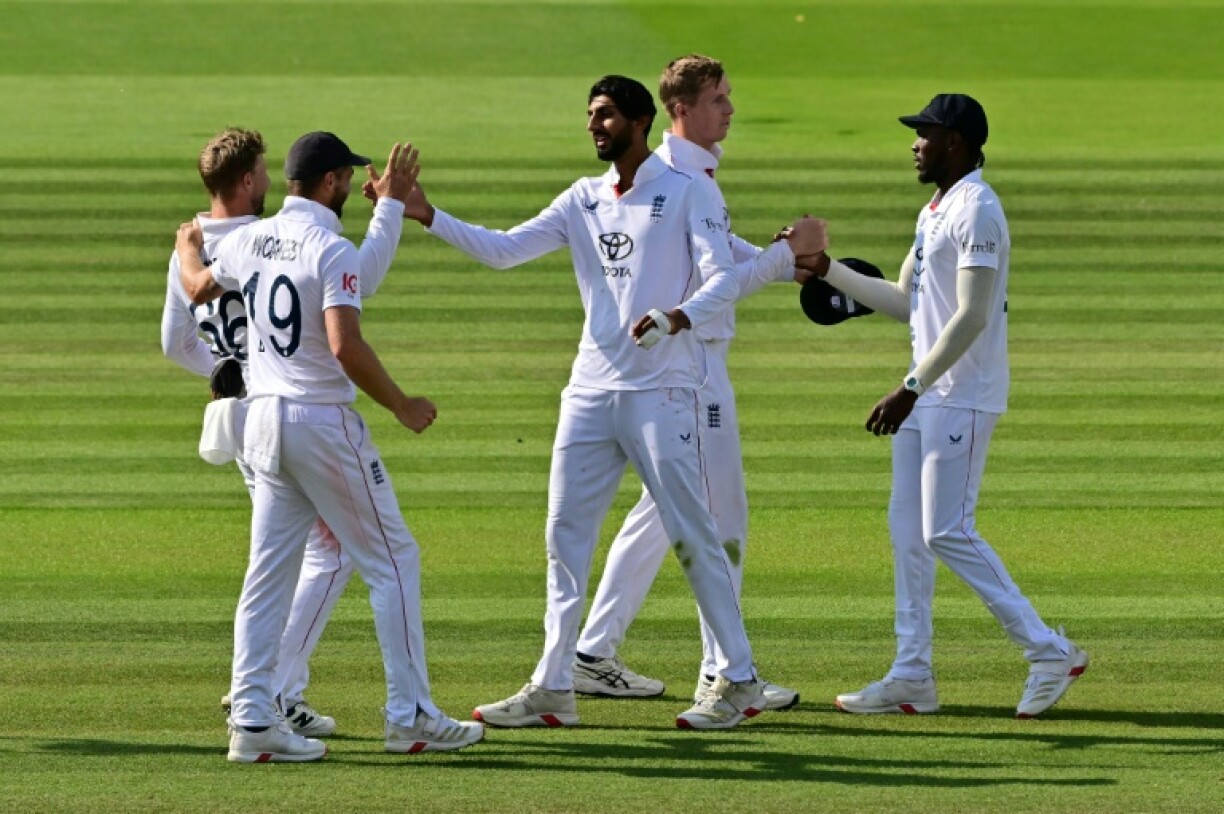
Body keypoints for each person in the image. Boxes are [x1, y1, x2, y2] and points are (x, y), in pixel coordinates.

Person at [398, 75, 826, 730]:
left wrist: (675, 317)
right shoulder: (583, 199)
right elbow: (506, 250)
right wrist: (428, 215)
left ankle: (737, 679)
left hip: (663, 390)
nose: (594, 126)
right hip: (591, 390)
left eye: (604, 116)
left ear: (639, 120)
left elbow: (720, 281)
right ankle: (552, 684)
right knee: (564, 537)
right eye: (590, 116)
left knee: (692, 532)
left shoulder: (689, 193)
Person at [176, 131, 484, 762]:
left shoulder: (251, 239)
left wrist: (185, 249)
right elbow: (345, 344)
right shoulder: (329, 246)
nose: (350, 184)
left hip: (262, 424)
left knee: (267, 576)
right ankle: (411, 715)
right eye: (345, 177)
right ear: (330, 183)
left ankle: (254, 722)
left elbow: (199, 289)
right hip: (321, 423)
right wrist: (401, 404)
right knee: (394, 559)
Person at [799, 94, 1089, 718]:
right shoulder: (935, 210)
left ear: (954, 142)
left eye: (924, 134)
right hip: (930, 393)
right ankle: (911, 675)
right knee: (909, 535)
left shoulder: (979, 210)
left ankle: (1047, 650)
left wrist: (911, 387)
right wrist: (827, 270)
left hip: (959, 395)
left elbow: (973, 316)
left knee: (945, 530)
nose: (914, 144)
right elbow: (905, 300)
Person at [571, 55, 800, 711]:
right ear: (684, 109)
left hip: (682, 363)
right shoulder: (676, 176)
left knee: (665, 512)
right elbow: (711, 277)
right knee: (717, 518)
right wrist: (788, 260)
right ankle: (721, 672)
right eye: (720, 99)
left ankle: (594, 652)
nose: (730, 110)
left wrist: (789, 263)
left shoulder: (688, 173)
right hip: (687, 367)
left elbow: (724, 253)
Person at [160, 127, 403, 739]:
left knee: (292, 557)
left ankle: (268, 691)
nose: (269, 181)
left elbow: (174, 342)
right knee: (332, 551)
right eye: (262, 172)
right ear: (246, 180)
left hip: (238, 413)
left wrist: (222, 368)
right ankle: (273, 689)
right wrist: (390, 211)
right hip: (283, 411)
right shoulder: (263, 238)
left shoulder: (189, 246)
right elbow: (356, 287)